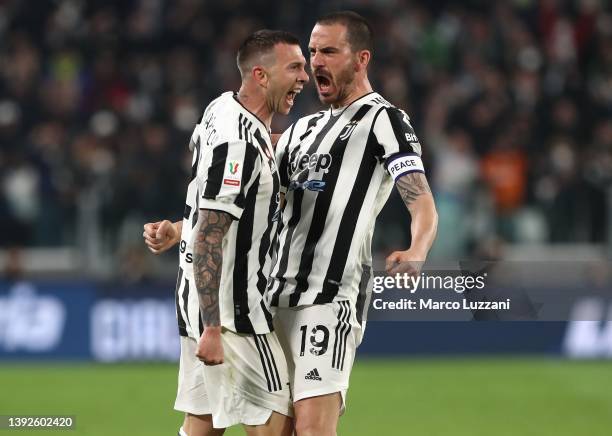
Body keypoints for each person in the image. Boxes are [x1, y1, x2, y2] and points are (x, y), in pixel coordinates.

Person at [268, 11, 438, 436]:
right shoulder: (300, 131)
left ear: (361, 59)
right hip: (271, 298)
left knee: (312, 432)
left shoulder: (385, 120)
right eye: (311, 52)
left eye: (329, 51)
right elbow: (258, 203)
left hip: (328, 300)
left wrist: (417, 251)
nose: (316, 62)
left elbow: (421, 202)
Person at [143, 29, 309, 436]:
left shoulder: (219, 110)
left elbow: (212, 210)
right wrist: (215, 329)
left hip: (195, 307)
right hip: (234, 318)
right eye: (295, 67)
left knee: (202, 425)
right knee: (279, 425)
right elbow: (212, 236)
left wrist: (179, 228)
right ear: (261, 75)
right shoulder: (241, 143)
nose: (305, 77)